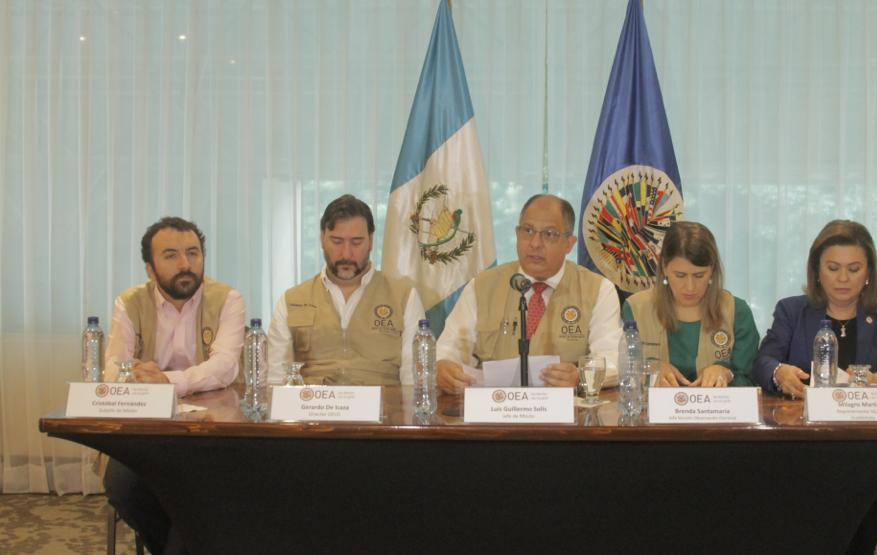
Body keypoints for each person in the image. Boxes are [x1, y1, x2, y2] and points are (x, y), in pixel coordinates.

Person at [752, 219, 877, 555]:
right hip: (801, 447)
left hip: (862, 451)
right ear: (817, 270)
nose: (842, 278)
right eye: (833, 267)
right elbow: (762, 362)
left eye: (854, 268)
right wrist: (779, 373)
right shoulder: (792, 311)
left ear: (868, 272)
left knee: (860, 489)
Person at [103, 216, 246, 555]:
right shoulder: (129, 302)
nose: (186, 264)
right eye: (171, 255)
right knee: (122, 488)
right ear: (150, 269)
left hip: (210, 431)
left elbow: (224, 368)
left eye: (193, 253)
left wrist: (165, 380)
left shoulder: (227, 299)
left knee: (199, 492)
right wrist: (135, 374)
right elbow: (112, 369)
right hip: (145, 430)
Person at [436, 194, 621, 393]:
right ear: (517, 234)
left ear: (569, 243)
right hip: (496, 414)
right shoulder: (481, 286)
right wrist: (442, 367)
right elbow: (448, 350)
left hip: (567, 417)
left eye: (549, 234)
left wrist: (580, 376)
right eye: (528, 230)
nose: (534, 243)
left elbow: (612, 361)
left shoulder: (598, 289)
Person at [268, 194, 424, 385]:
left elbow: (414, 381)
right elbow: (275, 380)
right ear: (322, 238)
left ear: (371, 240)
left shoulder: (403, 297)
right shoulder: (292, 300)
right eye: (337, 241)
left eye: (357, 242)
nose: (346, 254)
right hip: (314, 410)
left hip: (383, 410)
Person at [622, 221, 757, 387]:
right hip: (652, 411)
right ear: (664, 266)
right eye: (680, 275)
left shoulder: (737, 312)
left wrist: (726, 373)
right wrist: (648, 368)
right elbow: (623, 374)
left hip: (717, 411)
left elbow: (750, 378)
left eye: (699, 275)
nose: (690, 287)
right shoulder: (635, 309)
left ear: (713, 270)